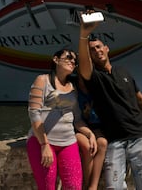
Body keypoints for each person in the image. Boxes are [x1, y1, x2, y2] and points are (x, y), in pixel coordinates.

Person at [78, 16, 142, 190]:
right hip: (114, 139)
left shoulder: (124, 71)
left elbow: (139, 98)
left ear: (107, 49)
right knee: (114, 186)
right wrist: (84, 35)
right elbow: (84, 64)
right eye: (92, 50)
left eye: (99, 47)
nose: (96, 51)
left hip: (139, 135)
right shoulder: (94, 78)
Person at [26, 49, 97, 190]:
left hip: (68, 142)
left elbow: (76, 119)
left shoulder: (72, 88)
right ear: (56, 59)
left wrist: (90, 134)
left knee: (74, 187)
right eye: (68, 57)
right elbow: (34, 113)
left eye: (74, 60)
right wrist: (44, 144)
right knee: (47, 187)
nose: (72, 61)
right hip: (44, 142)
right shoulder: (43, 80)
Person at [76, 90, 108, 190]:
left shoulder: (98, 89)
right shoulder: (74, 91)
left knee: (102, 143)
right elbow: (76, 120)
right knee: (88, 146)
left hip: (95, 126)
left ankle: (93, 186)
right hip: (77, 126)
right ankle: (86, 184)